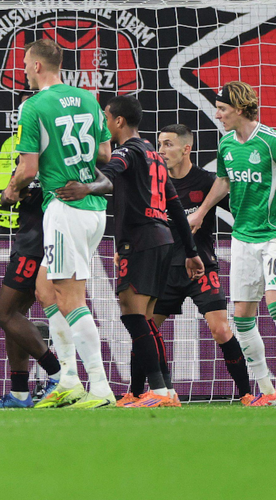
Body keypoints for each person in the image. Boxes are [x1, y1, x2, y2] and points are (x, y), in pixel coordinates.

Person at [56, 96, 202, 408]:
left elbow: (109, 175)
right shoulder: (152, 151)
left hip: (142, 240)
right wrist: (190, 250)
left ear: (119, 121)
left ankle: (160, 391)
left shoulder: (127, 150)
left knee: (134, 318)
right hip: (162, 238)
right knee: (146, 320)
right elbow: (174, 202)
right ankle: (152, 391)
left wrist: (86, 187)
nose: (104, 124)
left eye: (106, 118)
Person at [187, 81, 276, 407]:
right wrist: (202, 212)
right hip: (243, 238)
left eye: (222, 109)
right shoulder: (227, 145)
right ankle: (268, 390)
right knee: (243, 318)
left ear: (240, 109)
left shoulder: (272, 141)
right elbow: (223, 180)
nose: (217, 115)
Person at [1, 38, 115, 409]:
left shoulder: (34, 106)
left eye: (24, 65)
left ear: (36, 66)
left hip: (65, 209)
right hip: (92, 205)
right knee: (45, 290)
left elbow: (28, 168)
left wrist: (12, 190)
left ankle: (99, 387)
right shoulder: (89, 99)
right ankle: (67, 379)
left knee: (69, 298)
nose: (23, 72)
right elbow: (103, 154)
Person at [151, 124, 252, 403]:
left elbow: (240, 211)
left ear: (186, 148)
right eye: (160, 144)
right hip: (165, 269)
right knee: (147, 331)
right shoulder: (155, 183)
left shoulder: (208, 181)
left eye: (168, 144)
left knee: (220, 329)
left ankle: (246, 394)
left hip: (201, 266)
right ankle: (166, 392)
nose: (161, 150)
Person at [0, 138, 65, 409]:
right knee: (14, 318)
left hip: (33, 244)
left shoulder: (32, 162)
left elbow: (8, 197)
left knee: (3, 314)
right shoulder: (58, 158)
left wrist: (12, 192)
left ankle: (57, 374)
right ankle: (19, 393)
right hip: (44, 239)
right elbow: (8, 201)